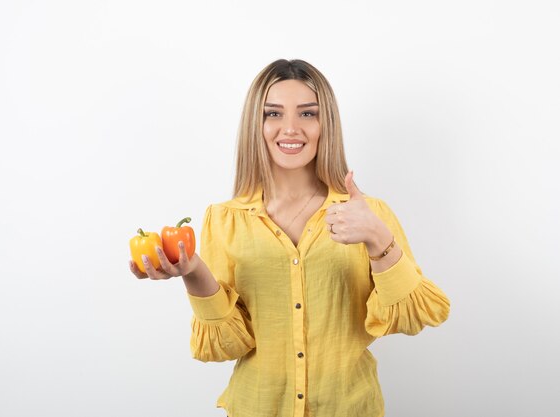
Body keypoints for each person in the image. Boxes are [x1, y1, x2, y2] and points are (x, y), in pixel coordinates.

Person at [129, 59, 450, 417]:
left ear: (325, 123)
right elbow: (226, 344)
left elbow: (415, 315)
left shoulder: (368, 213)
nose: (291, 128)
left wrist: (378, 239)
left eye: (308, 114)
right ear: (257, 124)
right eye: (274, 114)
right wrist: (193, 271)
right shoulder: (224, 220)